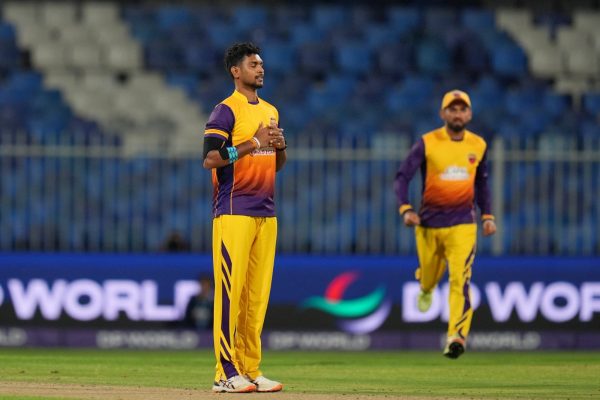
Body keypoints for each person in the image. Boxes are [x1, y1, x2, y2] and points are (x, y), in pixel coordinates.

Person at [202, 42, 287, 393]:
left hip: (266, 213)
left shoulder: (271, 111)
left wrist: (279, 146)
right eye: (253, 64)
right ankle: (225, 372)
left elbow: (275, 164)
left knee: (256, 297)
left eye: (262, 64)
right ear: (236, 71)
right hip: (234, 212)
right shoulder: (225, 111)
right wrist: (252, 142)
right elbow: (210, 159)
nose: (261, 69)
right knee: (230, 294)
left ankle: (250, 369)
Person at [394, 90, 497, 359]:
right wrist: (406, 209)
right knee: (430, 278)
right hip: (429, 225)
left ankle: (456, 336)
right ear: (443, 114)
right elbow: (403, 176)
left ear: (469, 114)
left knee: (460, 278)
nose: (457, 114)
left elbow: (482, 184)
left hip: (463, 225)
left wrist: (487, 215)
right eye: (452, 109)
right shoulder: (427, 143)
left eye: (462, 109)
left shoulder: (478, 145)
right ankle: (425, 287)